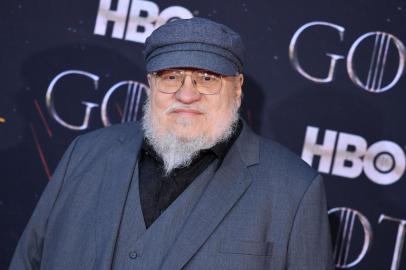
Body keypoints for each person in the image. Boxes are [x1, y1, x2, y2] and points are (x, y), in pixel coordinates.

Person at [9, 17, 334, 270]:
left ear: (237, 90)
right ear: (150, 85)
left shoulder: (293, 191)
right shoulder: (86, 153)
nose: (186, 93)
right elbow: (29, 260)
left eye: (207, 78)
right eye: (171, 76)